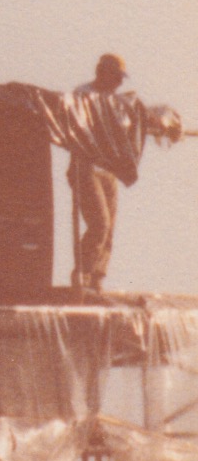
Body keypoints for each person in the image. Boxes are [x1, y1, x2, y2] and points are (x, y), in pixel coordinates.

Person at [64, 54, 184, 291]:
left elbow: (135, 119)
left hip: (108, 169)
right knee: (100, 223)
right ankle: (83, 274)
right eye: (116, 77)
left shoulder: (118, 101)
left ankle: (97, 278)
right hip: (85, 168)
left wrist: (162, 125)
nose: (119, 83)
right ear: (102, 72)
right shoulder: (83, 95)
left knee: (109, 229)